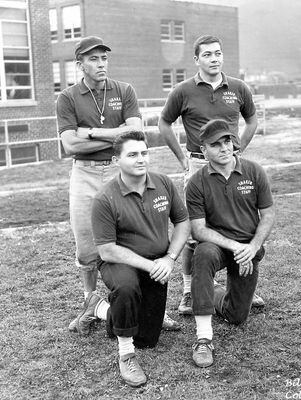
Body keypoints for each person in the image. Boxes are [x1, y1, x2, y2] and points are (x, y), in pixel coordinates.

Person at [56, 35, 178, 334]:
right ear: (80, 64)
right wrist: (115, 133)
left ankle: (151, 307)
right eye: (93, 59)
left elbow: (136, 133)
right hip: (85, 174)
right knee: (87, 244)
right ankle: (89, 303)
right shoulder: (68, 97)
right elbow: (70, 144)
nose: (101, 64)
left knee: (134, 235)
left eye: (104, 58)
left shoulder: (124, 90)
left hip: (120, 170)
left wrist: (91, 133)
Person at [76, 130, 190, 387]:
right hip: (120, 264)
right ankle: (126, 354)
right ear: (117, 160)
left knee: (147, 338)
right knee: (127, 288)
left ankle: (99, 307)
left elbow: (182, 222)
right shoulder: (105, 198)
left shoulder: (163, 183)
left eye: (144, 153)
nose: (141, 159)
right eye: (132, 154)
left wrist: (170, 258)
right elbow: (107, 251)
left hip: (157, 262)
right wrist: (151, 265)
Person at [158, 34, 263, 314]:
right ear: (197, 60)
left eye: (217, 53)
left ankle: (239, 289)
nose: (214, 59)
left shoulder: (238, 88)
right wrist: (182, 158)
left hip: (232, 165)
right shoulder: (182, 90)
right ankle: (190, 292)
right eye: (207, 55)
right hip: (197, 165)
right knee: (196, 234)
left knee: (237, 223)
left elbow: (252, 120)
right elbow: (164, 123)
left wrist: (238, 147)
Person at [185, 119, 275, 367]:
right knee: (202, 254)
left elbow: (267, 214)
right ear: (203, 149)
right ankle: (203, 338)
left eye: (227, 141)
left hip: (247, 249)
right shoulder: (196, 182)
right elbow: (198, 230)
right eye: (216, 144)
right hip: (219, 247)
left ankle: (208, 292)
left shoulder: (254, 171)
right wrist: (235, 247)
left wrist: (252, 247)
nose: (224, 148)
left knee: (236, 317)